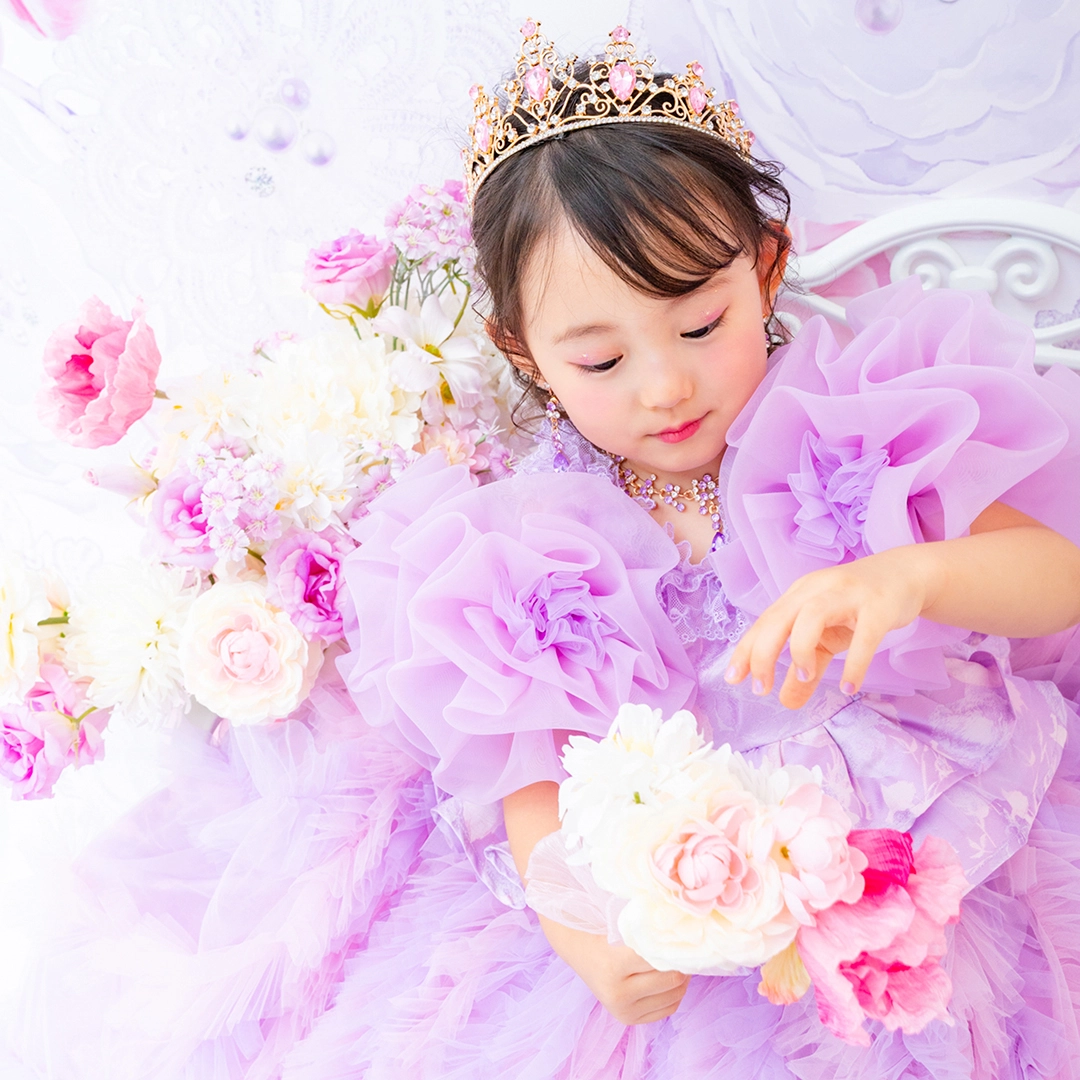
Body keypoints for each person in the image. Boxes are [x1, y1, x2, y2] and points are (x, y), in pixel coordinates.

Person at [11, 20, 1080, 1080]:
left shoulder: (856, 429)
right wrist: (583, 933)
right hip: (665, 863)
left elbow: (1057, 581)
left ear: (767, 268)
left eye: (701, 326)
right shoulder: (532, 543)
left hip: (914, 823)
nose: (665, 386)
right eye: (602, 360)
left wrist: (914, 573)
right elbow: (527, 773)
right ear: (523, 351)